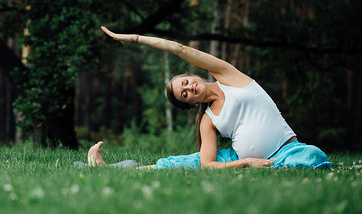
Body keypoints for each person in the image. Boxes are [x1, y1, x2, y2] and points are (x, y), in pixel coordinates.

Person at [83, 26, 331, 169]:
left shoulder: (228, 76)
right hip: (241, 158)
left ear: (191, 74)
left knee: (314, 157)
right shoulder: (208, 121)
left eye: (186, 82)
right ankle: (113, 170)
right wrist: (245, 164)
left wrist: (135, 38)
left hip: (287, 151)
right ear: (189, 103)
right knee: (187, 162)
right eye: (185, 94)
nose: (189, 88)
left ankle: (273, 166)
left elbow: (178, 48)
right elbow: (208, 165)